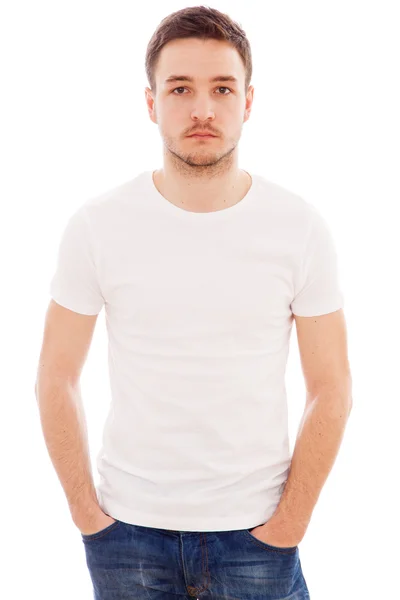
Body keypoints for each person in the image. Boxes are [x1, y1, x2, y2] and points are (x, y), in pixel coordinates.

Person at [35, 5, 352, 599]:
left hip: (256, 537)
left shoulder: (299, 228)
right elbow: (55, 376)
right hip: (126, 535)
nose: (202, 109)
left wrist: (289, 527)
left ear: (248, 102)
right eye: (180, 88)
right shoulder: (98, 226)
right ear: (151, 102)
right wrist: (88, 517)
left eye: (221, 88)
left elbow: (331, 389)